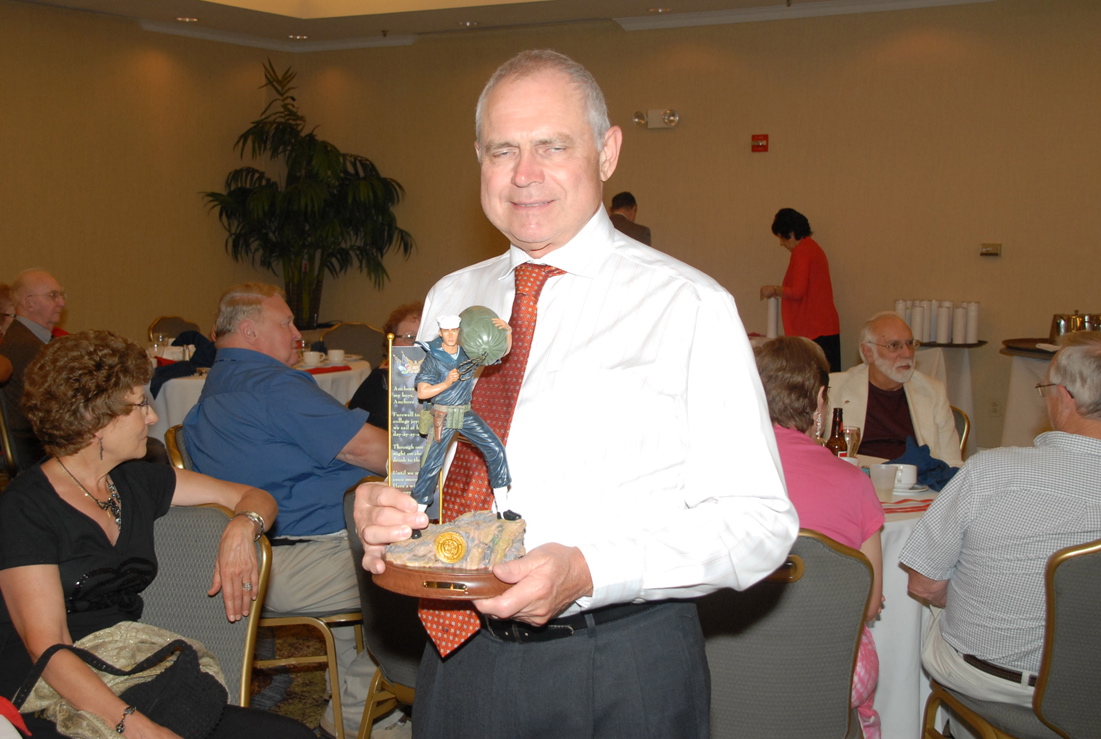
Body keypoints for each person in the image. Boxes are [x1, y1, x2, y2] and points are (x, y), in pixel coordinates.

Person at [353, 49, 797, 738]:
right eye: (503, 150)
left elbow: (759, 523)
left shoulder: (687, 306)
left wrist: (591, 569)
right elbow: (423, 475)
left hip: (616, 664)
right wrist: (384, 510)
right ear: (478, 157)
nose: (524, 174)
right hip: (457, 658)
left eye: (552, 146)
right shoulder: (451, 296)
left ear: (607, 150)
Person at [0, 329, 313, 739]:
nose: (151, 417)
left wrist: (242, 528)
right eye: (139, 405)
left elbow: (255, 497)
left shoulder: (134, 481)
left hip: (130, 674)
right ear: (96, 421)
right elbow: (48, 648)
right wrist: (136, 726)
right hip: (53, 700)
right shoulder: (25, 508)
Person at [181, 283, 389, 738]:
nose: (298, 333)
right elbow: (369, 451)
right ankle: (359, 721)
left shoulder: (217, 387)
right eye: (287, 322)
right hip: (298, 560)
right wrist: (442, 457)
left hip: (268, 557)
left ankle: (359, 705)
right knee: (430, 575)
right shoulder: (270, 384)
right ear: (250, 331)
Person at [899, 332, 1101, 709]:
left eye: (1048, 390)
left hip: (993, 680)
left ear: (1067, 398)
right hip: (1090, 686)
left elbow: (925, 584)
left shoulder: (991, 470)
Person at [754, 336, 884, 738]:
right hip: (828, 674)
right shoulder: (854, 484)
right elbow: (869, 603)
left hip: (732, 667)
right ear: (821, 400)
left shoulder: (713, 476)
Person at [829, 311, 963, 467]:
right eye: (894, 346)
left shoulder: (933, 392)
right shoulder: (835, 389)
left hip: (916, 485)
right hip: (858, 478)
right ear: (868, 352)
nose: (907, 353)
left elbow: (952, 462)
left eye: (910, 344)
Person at [410, 314, 511, 514]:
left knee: (495, 449)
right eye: (446, 331)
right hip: (443, 415)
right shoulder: (433, 358)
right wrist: (446, 383)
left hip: (465, 413)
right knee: (431, 465)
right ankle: (416, 515)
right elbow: (422, 392)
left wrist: (507, 332)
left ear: (459, 332)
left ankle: (503, 507)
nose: (450, 335)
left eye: (454, 331)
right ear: (440, 332)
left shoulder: (467, 353)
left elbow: (497, 354)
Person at [759, 208, 842, 371]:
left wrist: (774, 289)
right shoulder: (812, 248)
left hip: (815, 330)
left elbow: (797, 291)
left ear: (790, 233)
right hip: (823, 327)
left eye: (782, 238)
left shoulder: (802, 252)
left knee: (814, 380)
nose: (782, 244)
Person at [0, 269, 67, 468]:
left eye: (61, 295)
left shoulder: (31, 338)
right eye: (53, 296)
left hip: (43, 438)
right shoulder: (25, 346)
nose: (61, 302)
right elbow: (61, 401)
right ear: (29, 303)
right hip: (37, 447)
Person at [348, 301, 423, 430]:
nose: (418, 344)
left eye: (425, 337)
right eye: (410, 337)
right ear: (391, 344)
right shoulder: (381, 382)